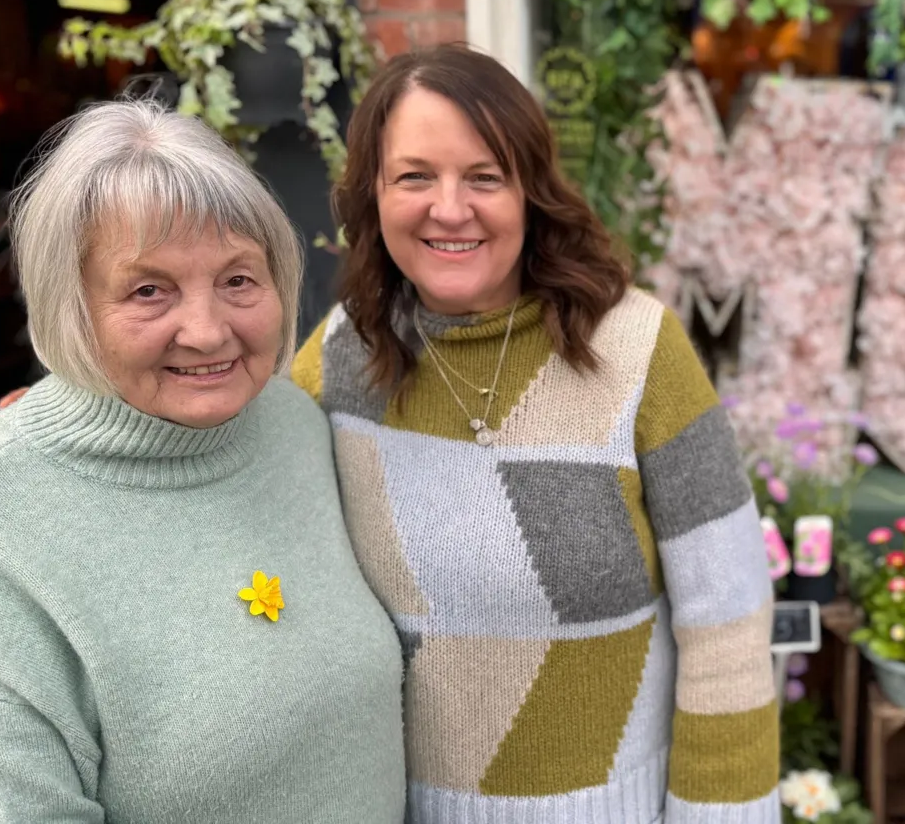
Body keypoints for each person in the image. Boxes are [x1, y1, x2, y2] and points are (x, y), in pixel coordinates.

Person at [291, 43, 780, 823]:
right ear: (372, 195)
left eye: (484, 176)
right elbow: (223, 477)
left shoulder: (638, 351)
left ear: (531, 191)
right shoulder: (340, 358)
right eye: (415, 175)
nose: (450, 208)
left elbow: (728, 624)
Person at [0, 100, 407, 822]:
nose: (207, 330)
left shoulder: (293, 423)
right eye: (148, 289)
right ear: (71, 306)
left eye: (238, 279)